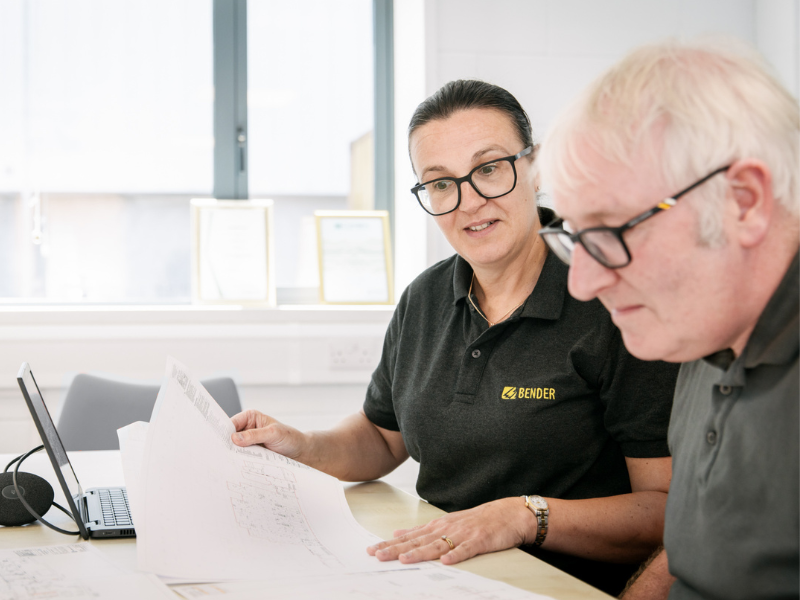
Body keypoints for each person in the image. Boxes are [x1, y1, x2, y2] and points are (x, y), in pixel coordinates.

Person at [232, 80, 680, 595]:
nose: (468, 201)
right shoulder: (423, 299)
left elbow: (667, 510)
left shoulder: (609, 298)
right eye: (441, 183)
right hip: (437, 576)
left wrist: (524, 516)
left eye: (489, 168)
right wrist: (303, 445)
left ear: (534, 169)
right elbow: (382, 438)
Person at [536, 38, 799, 599]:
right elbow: (694, 556)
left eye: (611, 231)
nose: (582, 282)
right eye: (576, 237)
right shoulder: (701, 334)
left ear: (744, 201)